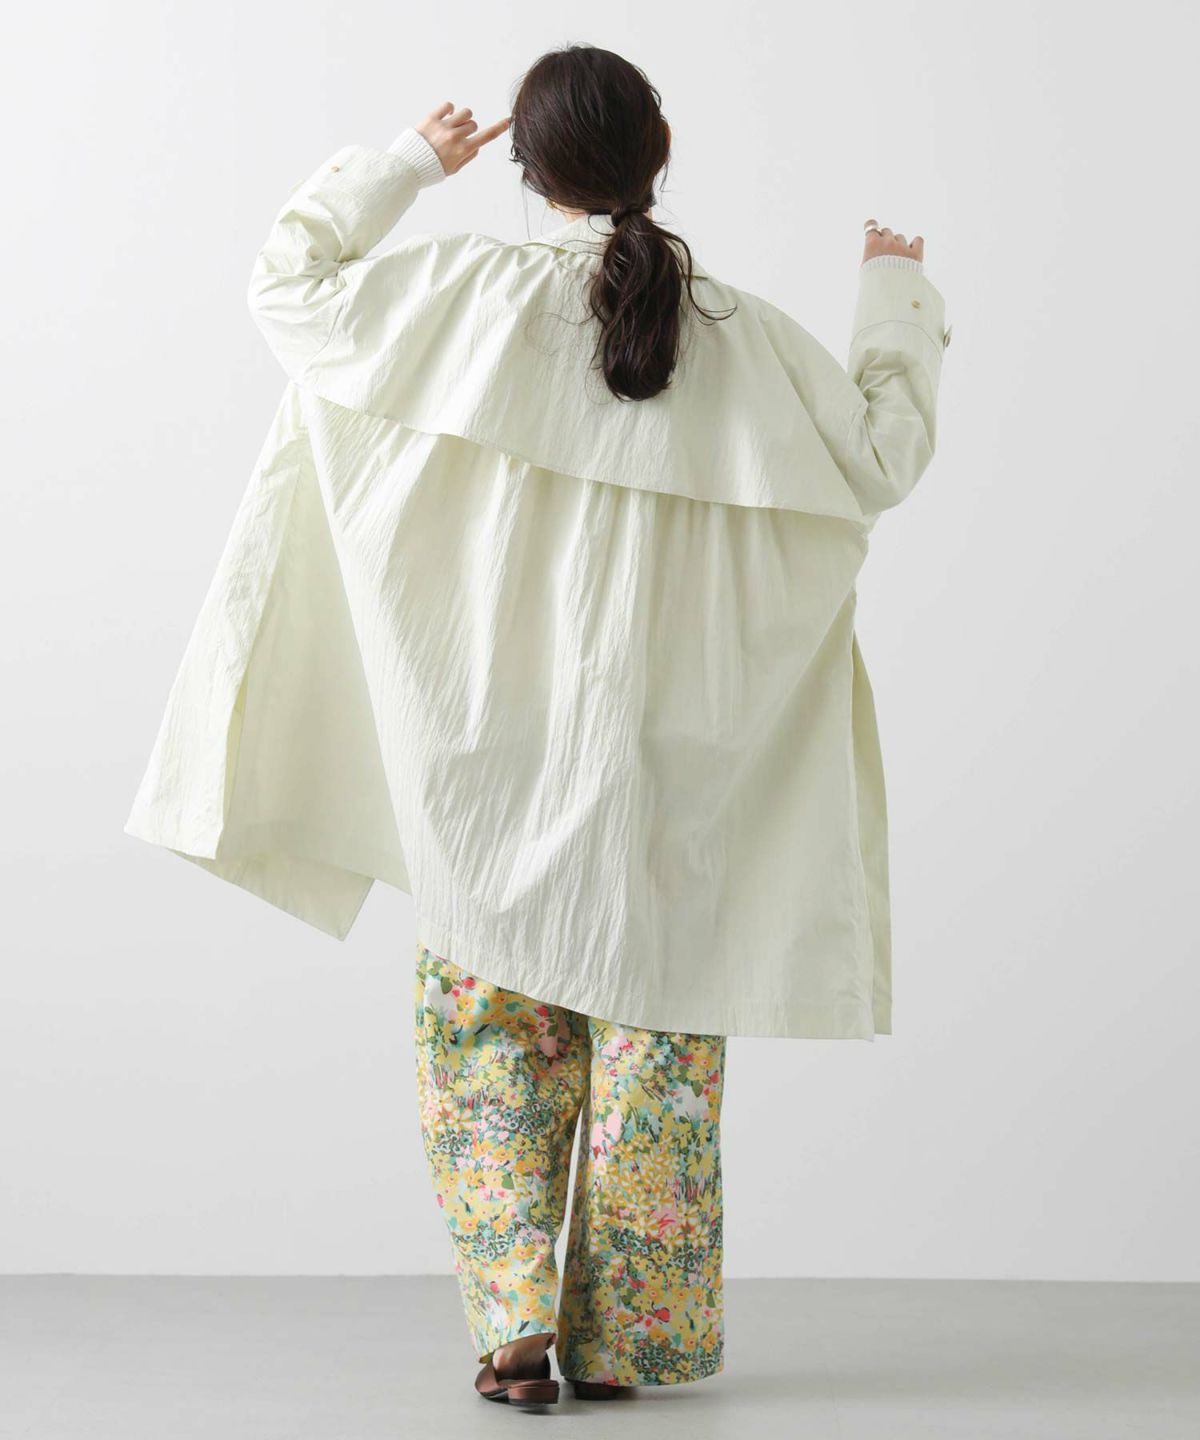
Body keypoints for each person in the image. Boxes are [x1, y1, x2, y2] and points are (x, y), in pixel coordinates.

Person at [124, 44, 949, 1409]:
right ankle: (625, 1339)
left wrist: (407, 165)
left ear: (524, 165)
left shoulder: (456, 295)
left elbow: (288, 290)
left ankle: (512, 1323)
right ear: (661, 151)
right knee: (657, 1035)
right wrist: (894, 296)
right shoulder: (745, 339)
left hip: (483, 757)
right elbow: (882, 456)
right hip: (679, 767)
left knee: (491, 1025)